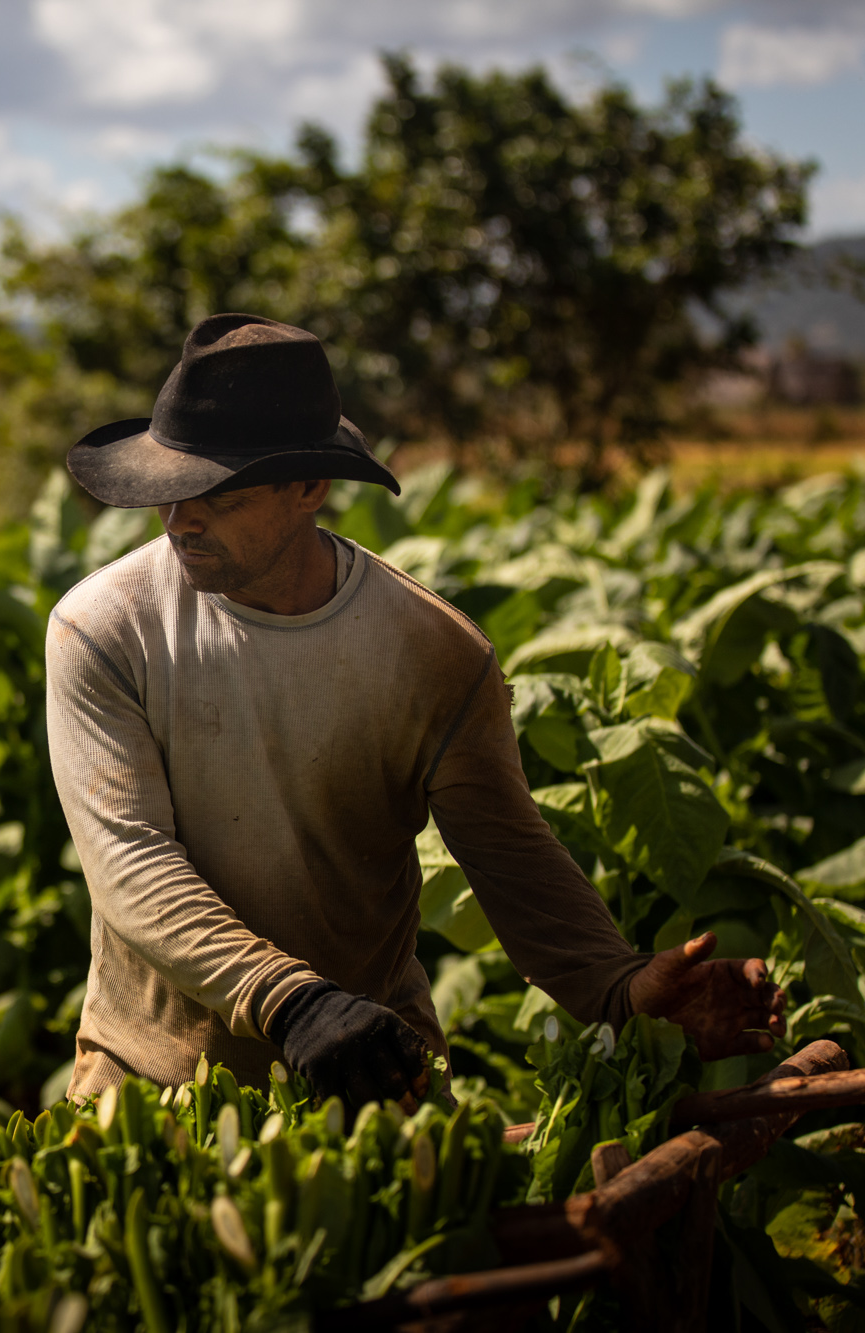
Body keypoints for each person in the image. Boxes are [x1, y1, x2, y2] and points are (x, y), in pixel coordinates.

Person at [47, 314, 784, 1110]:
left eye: (218, 494)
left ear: (310, 488)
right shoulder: (104, 628)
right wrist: (293, 999)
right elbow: (132, 861)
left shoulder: (432, 651)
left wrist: (620, 982)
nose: (180, 519)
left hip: (372, 1073)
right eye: (168, 489)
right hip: (152, 1082)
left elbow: (505, 847)